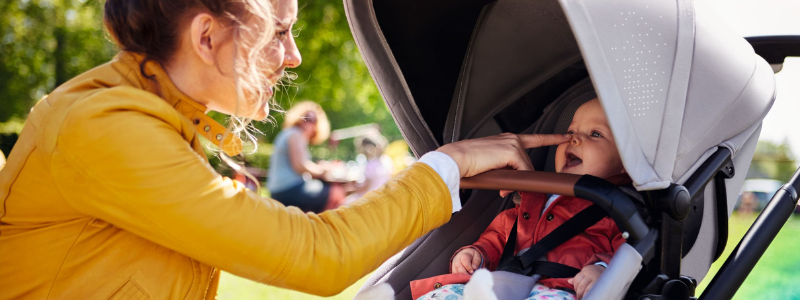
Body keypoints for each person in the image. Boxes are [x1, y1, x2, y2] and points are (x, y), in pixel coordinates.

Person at [0, 0, 572, 298]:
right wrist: (449, 164)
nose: (294, 55)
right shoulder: (106, 129)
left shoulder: (150, 115)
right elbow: (315, 256)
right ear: (206, 37)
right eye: (279, 31)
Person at [413, 98, 627, 300]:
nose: (574, 138)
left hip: (560, 288)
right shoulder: (528, 200)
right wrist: (476, 253)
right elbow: (497, 237)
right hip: (502, 284)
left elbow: (630, 253)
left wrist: (603, 270)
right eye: (571, 131)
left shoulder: (619, 212)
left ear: (627, 162)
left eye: (596, 134)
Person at [268, 101, 344, 213]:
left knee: (324, 191)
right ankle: (321, 228)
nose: (308, 123)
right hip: (287, 189)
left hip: (280, 189)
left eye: (313, 120)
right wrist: (323, 171)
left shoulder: (291, 133)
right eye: (306, 118)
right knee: (336, 192)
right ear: (299, 118)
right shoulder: (295, 134)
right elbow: (300, 166)